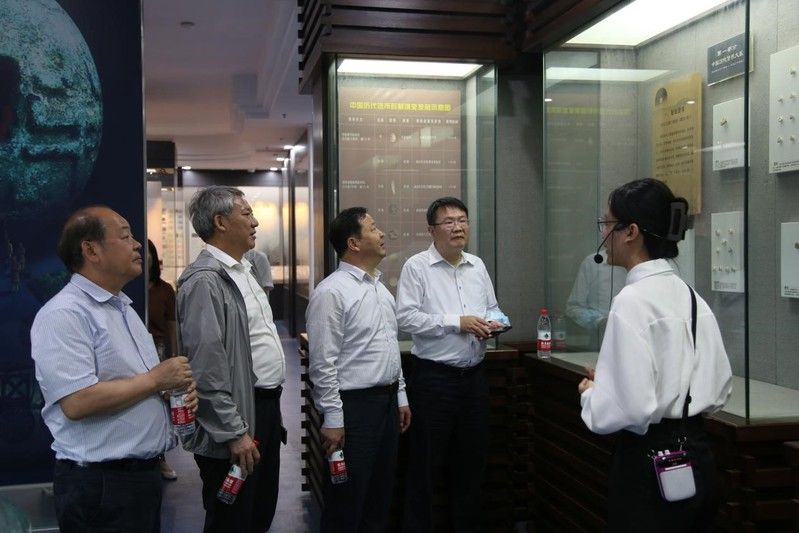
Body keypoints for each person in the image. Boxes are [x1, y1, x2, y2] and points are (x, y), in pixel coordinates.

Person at [578, 178, 732, 531]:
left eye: (606, 223)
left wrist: (592, 394)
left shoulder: (631, 301)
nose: (603, 233)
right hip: (697, 451)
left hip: (648, 462)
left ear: (630, 232)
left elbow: (627, 409)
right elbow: (718, 385)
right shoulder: (690, 295)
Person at [30, 206, 197, 533]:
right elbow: (77, 401)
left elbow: (134, 382)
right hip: (101, 486)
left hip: (137, 480)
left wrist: (170, 392)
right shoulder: (65, 314)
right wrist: (155, 380)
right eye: (125, 236)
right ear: (91, 250)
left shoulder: (122, 308)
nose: (137, 244)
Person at [177, 186, 286, 533]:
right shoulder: (205, 281)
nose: (255, 222)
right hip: (236, 416)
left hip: (263, 408)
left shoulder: (246, 271)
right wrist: (233, 432)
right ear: (221, 222)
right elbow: (206, 367)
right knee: (233, 519)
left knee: (259, 513)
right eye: (247, 213)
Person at [397, 197, 505, 532]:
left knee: (472, 465)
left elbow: (493, 308)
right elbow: (406, 318)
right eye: (449, 222)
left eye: (463, 220)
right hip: (434, 380)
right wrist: (457, 322)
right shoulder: (416, 267)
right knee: (425, 467)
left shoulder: (477, 265)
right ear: (432, 230)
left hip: (474, 379)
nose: (458, 227)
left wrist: (495, 323)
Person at [306, 207, 412, 532]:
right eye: (373, 228)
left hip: (386, 404)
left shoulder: (379, 288)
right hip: (354, 410)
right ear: (353, 243)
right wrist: (333, 419)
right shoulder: (331, 292)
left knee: (379, 499)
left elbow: (389, 347)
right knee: (346, 503)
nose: (382, 234)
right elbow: (322, 364)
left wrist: (401, 396)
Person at [147, 239, 179, 480]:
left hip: (159, 352)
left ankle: (161, 457)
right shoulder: (127, 289)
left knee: (162, 407)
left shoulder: (165, 290)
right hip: (136, 352)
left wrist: (174, 356)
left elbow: (171, 327)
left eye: (148, 253)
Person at [565, 251, 626, 347]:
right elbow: (573, 307)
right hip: (599, 344)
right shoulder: (593, 262)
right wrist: (600, 321)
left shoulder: (646, 265)